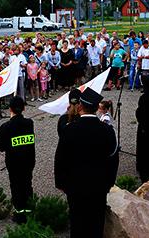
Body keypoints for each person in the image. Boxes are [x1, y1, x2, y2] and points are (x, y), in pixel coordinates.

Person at [55, 87, 119, 238]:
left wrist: (61, 183)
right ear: (97, 108)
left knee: (77, 221)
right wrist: (109, 182)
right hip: (99, 185)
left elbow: (60, 159)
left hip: (75, 185)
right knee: (96, 221)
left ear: (80, 106)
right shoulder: (106, 130)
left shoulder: (69, 130)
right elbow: (113, 158)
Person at [0, 96, 35, 224]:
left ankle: (20, 214)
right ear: (24, 108)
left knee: (16, 186)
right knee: (27, 184)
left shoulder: (5, 127)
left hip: (14, 163)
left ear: (10, 109)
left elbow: (1, 147)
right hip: (28, 161)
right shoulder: (29, 123)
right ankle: (29, 210)